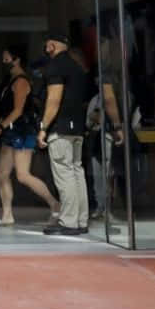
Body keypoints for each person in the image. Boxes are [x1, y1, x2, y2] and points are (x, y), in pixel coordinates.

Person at [39, 30, 115, 238]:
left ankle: (69, 221)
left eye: (47, 45)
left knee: (64, 174)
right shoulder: (77, 68)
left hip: (61, 128)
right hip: (77, 128)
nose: (46, 49)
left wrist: (43, 127)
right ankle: (81, 219)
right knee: (76, 171)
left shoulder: (55, 66)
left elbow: (53, 100)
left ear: (52, 46)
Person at [0, 46, 57, 227]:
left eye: (6, 57)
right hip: (10, 130)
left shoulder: (21, 81)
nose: (3, 61)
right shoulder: (9, 80)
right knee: (2, 173)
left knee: (22, 175)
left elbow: (18, 110)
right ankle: (7, 214)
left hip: (22, 130)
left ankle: (54, 204)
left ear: (17, 59)